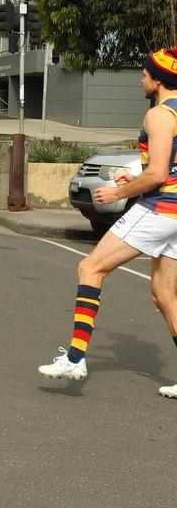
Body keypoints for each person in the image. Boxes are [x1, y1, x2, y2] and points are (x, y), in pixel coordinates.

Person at [39, 47, 177, 397]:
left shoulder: (159, 116)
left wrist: (117, 196)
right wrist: (133, 182)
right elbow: (168, 169)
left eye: (145, 73)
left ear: (159, 79)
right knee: (164, 295)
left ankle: (74, 358)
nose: (141, 77)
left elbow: (160, 172)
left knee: (91, 269)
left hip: (159, 212)